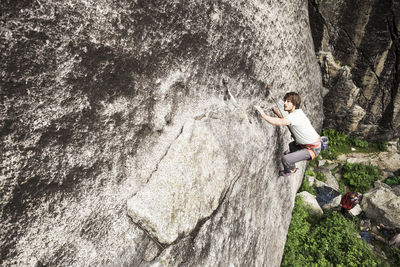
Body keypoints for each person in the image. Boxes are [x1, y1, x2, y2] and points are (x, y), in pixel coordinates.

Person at [254, 92, 321, 176]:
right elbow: (286, 122)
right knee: (292, 146)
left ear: (294, 104)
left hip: (312, 149)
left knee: (286, 159)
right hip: (311, 144)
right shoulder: (297, 114)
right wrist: (277, 113)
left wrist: (263, 115)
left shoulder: (295, 116)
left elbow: (281, 122)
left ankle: (289, 171)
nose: (285, 103)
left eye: (288, 101)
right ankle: (292, 164)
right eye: (285, 101)